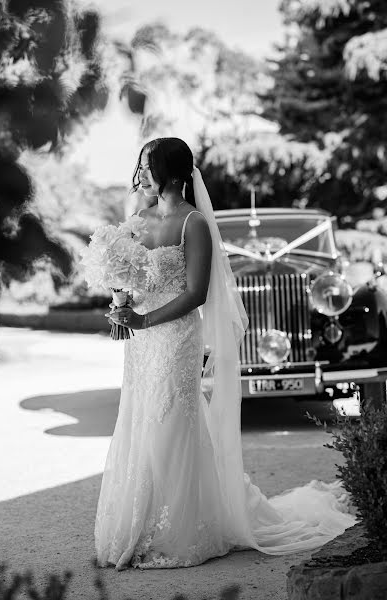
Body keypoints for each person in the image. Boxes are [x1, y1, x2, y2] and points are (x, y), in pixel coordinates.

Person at [94, 137, 356, 571]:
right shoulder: (137, 219)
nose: (138, 173)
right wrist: (120, 306)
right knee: (139, 421)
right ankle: (138, 527)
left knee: (172, 423)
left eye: (147, 165)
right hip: (141, 342)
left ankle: (180, 530)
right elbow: (128, 276)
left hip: (175, 336)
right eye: (138, 165)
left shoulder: (193, 222)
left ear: (174, 175)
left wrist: (144, 320)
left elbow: (196, 293)